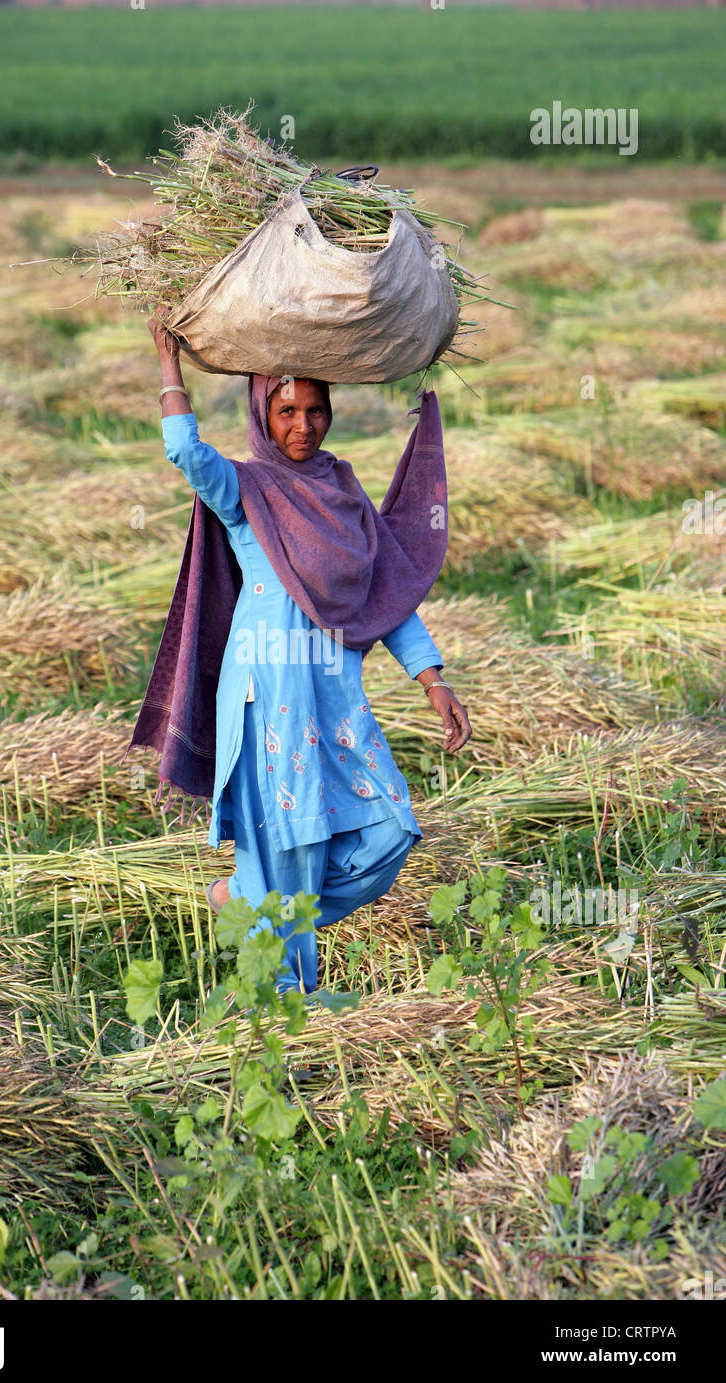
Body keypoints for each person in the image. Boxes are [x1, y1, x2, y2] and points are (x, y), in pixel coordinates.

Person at [126, 314, 472, 996]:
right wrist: (169, 363)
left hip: (332, 694)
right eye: (286, 411)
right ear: (263, 413)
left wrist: (432, 681)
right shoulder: (244, 489)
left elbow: (384, 593)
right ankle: (287, 1011)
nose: (303, 426)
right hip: (266, 694)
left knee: (388, 835)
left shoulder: (343, 494)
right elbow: (185, 454)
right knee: (288, 843)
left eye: (315, 411)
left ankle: (244, 899)